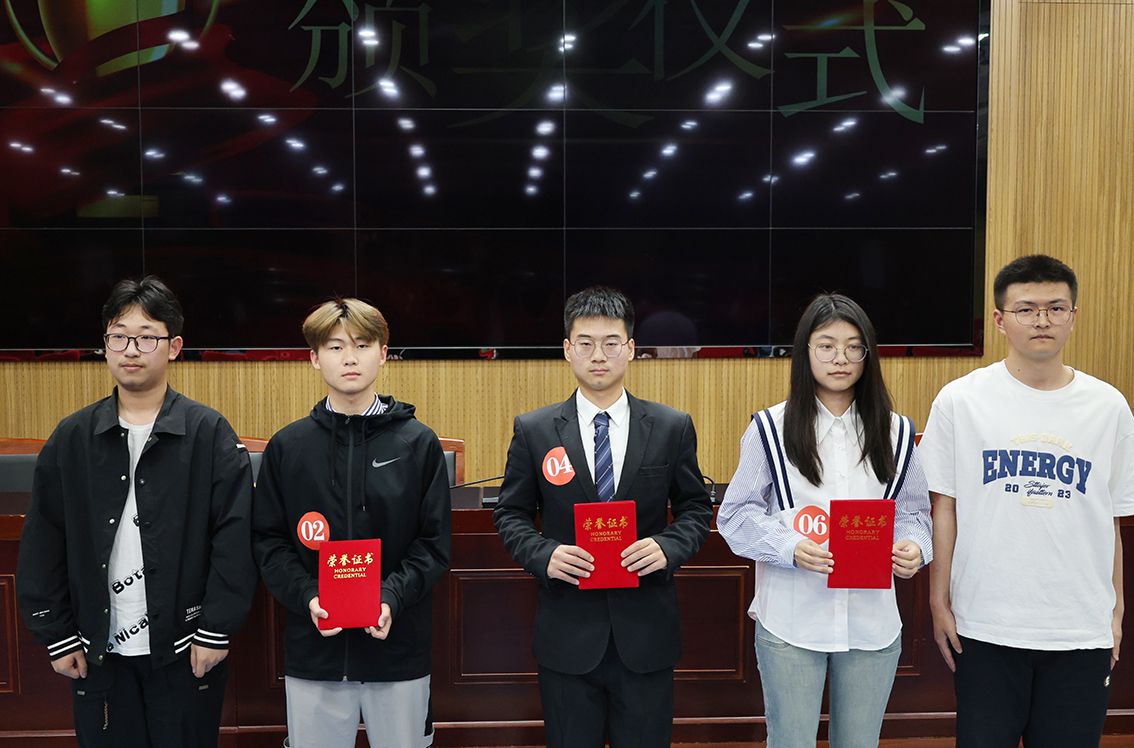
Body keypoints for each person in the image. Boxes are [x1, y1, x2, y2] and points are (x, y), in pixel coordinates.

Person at [16, 276, 257, 747]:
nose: (131, 349)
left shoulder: (208, 433)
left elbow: (235, 539)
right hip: (97, 649)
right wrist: (56, 634)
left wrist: (215, 630)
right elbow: (43, 541)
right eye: (119, 336)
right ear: (104, 344)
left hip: (187, 647)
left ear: (174, 347)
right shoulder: (72, 437)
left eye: (147, 337)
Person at [920, 255, 1134, 747]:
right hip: (986, 623)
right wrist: (937, 601)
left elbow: (1111, 520)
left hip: (1079, 627)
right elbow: (943, 507)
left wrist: (1116, 612)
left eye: (1056, 308)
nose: (1042, 320)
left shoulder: (1109, 406)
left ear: (1073, 316)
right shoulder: (960, 400)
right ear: (999, 320)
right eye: (1026, 309)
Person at [492, 286, 713, 748]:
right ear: (567, 349)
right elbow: (511, 513)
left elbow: (695, 508)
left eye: (611, 343)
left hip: (647, 633)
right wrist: (543, 555)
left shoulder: (671, 426)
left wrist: (667, 547)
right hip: (567, 633)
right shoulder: (534, 430)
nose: (599, 355)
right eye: (586, 343)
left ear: (630, 348)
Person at [717, 293, 932, 748]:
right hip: (792, 618)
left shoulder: (896, 431)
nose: (841, 358)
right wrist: (788, 547)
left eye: (854, 347)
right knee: (790, 741)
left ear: (868, 355)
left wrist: (914, 547)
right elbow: (736, 515)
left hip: (871, 622)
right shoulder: (770, 429)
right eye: (827, 346)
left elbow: (913, 512)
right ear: (806, 352)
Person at [253, 298, 451, 748]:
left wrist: (390, 596)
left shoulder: (418, 443)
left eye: (362, 345)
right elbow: (269, 542)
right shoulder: (288, 447)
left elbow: (433, 544)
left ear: (383, 354)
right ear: (314, 357)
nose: (349, 358)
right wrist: (308, 596)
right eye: (335, 346)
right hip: (315, 649)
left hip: (397, 648)